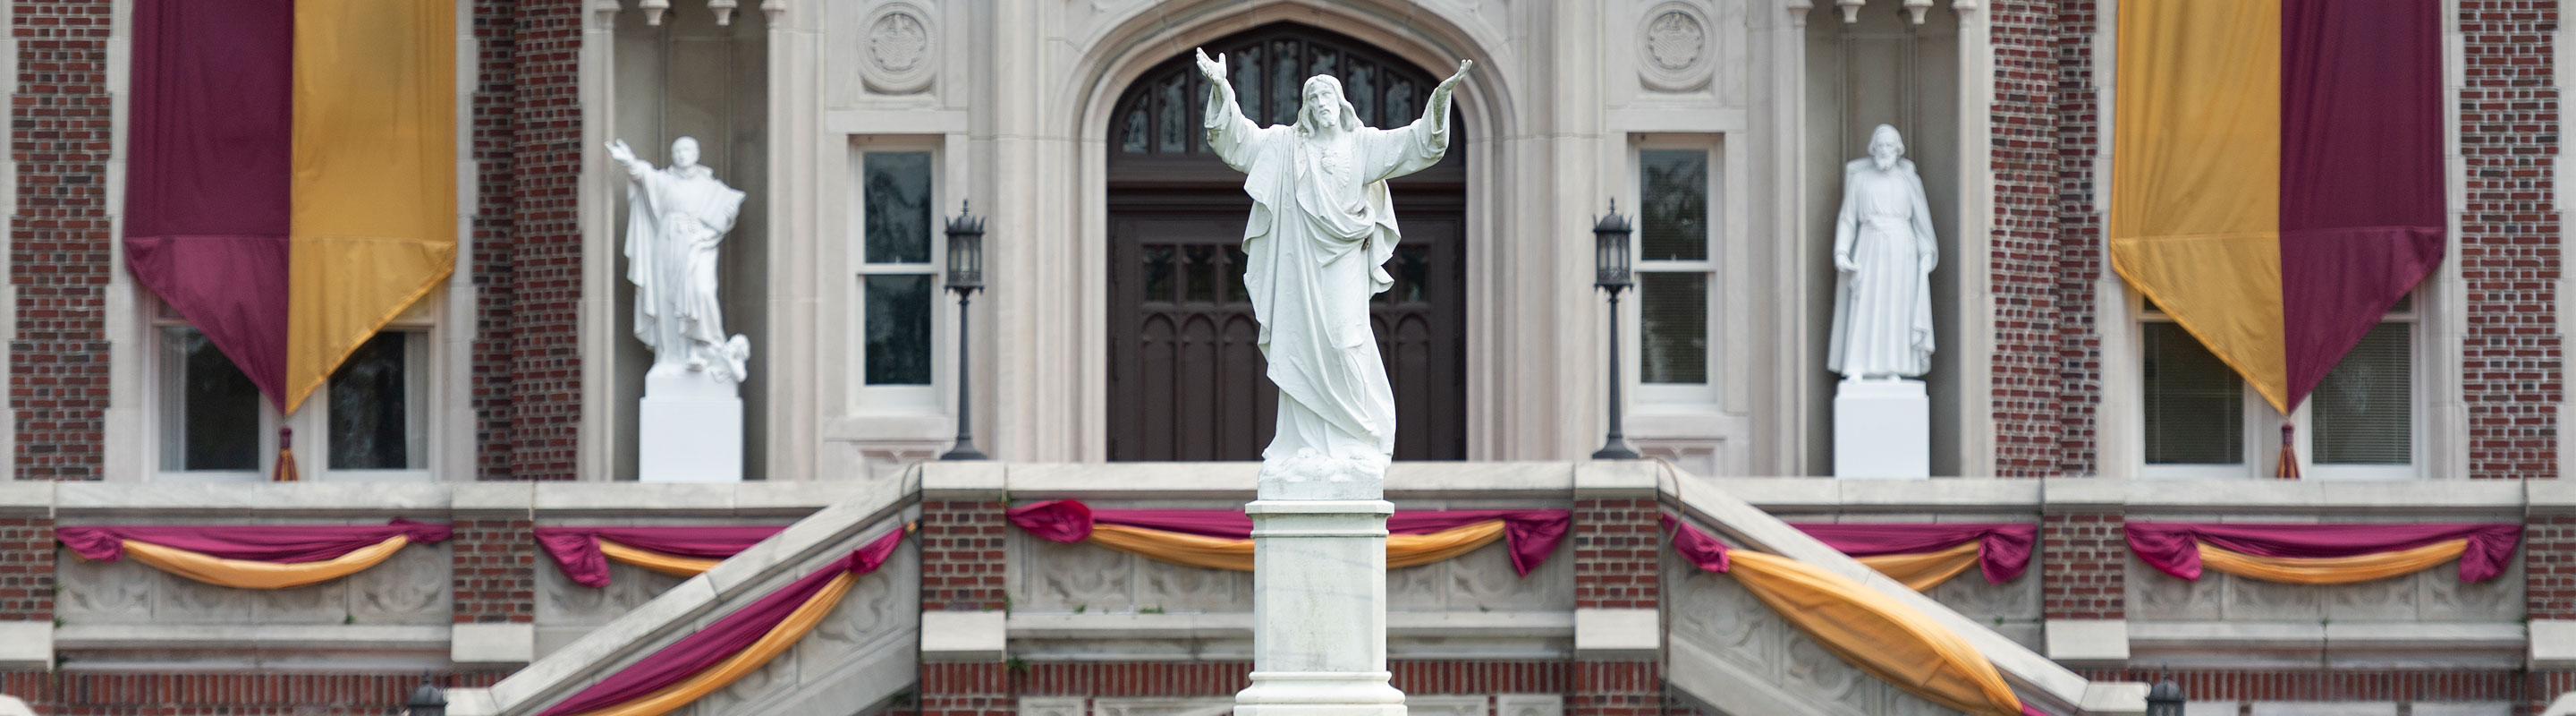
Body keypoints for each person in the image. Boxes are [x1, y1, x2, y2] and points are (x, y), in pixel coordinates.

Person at [1195, 47, 1468, 479]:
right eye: (1313, 98)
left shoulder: (1362, 145)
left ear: (1341, 104)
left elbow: (1416, 144)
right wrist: (1220, 87)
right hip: (1298, 263)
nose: (1321, 104)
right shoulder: (1286, 145)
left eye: (1327, 97)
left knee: (1344, 341)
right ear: (1306, 108)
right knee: (1300, 347)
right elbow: (1239, 142)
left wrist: (1440, 100)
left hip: (1342, 262)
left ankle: (1360, 438)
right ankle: (1304, 446)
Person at [608, 136, 751, 384]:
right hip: (668, 242)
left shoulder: (710, 185)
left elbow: (725, 211)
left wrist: (729, 216)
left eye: (687, 150)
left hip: (699, 244)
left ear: (696, 154)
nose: (682, 155)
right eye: (677, 151)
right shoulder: (664, 180)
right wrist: (629, 160)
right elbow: (643, 174)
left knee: (702, 291)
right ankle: (672, 356)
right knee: (667, 298)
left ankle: (706, 347)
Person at [1828, 124, 1938, 379]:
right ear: (1873, 148)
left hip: (1902, 251)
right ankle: (1857, 365)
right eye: (1880, 145)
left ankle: (1894, 366)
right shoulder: (1860, 180)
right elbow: (1847, 219)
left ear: (1898, 149)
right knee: (1865, 305)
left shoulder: (1909, 181)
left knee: (1896, 307)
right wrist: (1841, 252)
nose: (1884, 150)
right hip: (1869, 246)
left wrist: (1927, 253)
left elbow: (1922, 224)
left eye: (1889, 145)